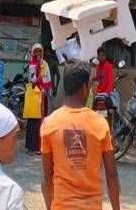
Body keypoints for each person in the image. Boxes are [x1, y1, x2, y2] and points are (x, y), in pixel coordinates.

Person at [41, 63, 121, 210]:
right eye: (90, 84)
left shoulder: (49, 123)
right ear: (85, 88)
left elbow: (47, 176)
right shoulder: (100, 123)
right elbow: (112, 175)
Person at [24, 43, 52, 155]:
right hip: (33, 96)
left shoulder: (45, 64)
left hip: (42, 95)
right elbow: (33, 80)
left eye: (40, 51)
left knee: (41, 121)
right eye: (36, 51)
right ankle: (31, 147)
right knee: (32, 121)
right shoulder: (31, 64)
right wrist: (39, 69)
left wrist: (45, 86)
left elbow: (48, 79)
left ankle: (40, 146)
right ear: (33, 53)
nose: (38, 54)